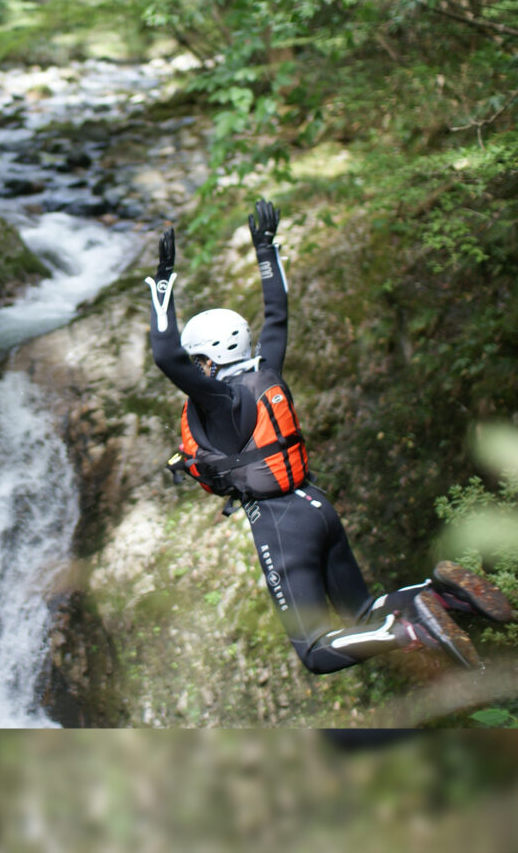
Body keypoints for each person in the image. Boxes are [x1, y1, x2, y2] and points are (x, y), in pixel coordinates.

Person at [145, 198, 514, 674]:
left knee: (316, 651)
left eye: (199, 361)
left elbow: (164, 357)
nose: (196, 370)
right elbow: (276, 315)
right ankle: (440, 594)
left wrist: (162, 287)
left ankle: (407, 630)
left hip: (281, 523)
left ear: (208, 362)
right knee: (361, 611)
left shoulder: (218, 402)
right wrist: (266, 250)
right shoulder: (267, 373)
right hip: (316, 506)